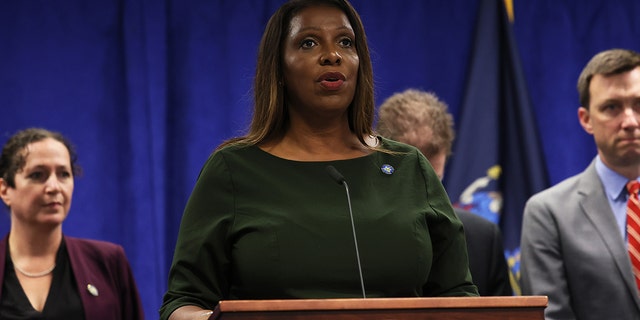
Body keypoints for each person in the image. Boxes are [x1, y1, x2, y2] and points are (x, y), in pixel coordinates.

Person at [160, 0, 478, 319]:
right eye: (309, 42)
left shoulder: (409, 166)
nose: (332, 55)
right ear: (279, 68)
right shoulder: (232, 170)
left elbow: (458, 296)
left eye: (345, 42)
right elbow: (183, 302)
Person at [520, 48, 640, 320]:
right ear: (586, 119)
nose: (630, 122)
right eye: (612, 107)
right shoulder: (548, 213)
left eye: (639, 105)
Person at [376, 88, 513, 296]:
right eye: (411, 183)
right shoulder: (353, 231)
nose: (423, 198)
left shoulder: (482, 239)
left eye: (434, 182)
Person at [0, 128, 145, 319]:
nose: (54, 187)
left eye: (64, 174)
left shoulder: (109, 262)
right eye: (37, 175)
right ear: (5, 190)